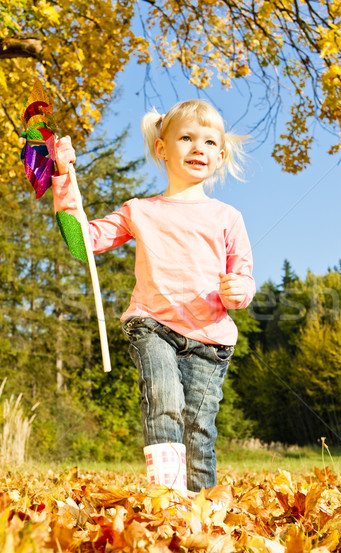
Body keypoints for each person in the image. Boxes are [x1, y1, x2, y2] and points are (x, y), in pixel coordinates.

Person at [53, 99, 256, 494]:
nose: (200, 148)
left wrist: (239, 290)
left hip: (210, 340)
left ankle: (200, 506)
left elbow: (244, 277)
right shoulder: (140, 211)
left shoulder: (228, 217)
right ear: (162, 148)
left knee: (199, 427)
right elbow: (83, 242)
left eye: (210, 142)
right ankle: (167, 499)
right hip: (152, 325)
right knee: (163, 400)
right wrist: (64, 177)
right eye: (187, 138)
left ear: (221, 155)